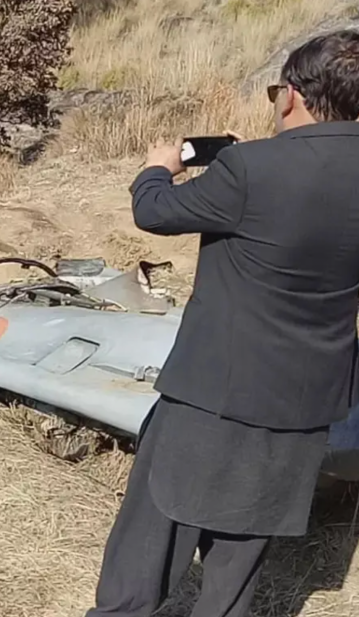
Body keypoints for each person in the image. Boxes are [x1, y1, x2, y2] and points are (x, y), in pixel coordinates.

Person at [85, 30, 359, 617]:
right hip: (306, 403)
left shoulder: (248, 168)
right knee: (237, 564)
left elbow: (153, 213)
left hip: (210, 397)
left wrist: (157, 169)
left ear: (290, 96)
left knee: (145, 557)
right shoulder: (256, 166)